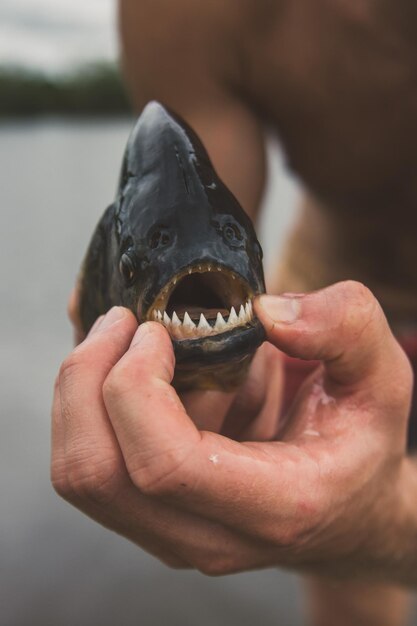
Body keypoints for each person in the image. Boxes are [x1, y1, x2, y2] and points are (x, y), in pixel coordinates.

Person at [53, 2, 417, 625]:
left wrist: (383, 523)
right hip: (322, 321)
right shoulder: (183, 11)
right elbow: (192, 231)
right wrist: (195, 400)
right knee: (348, 586)